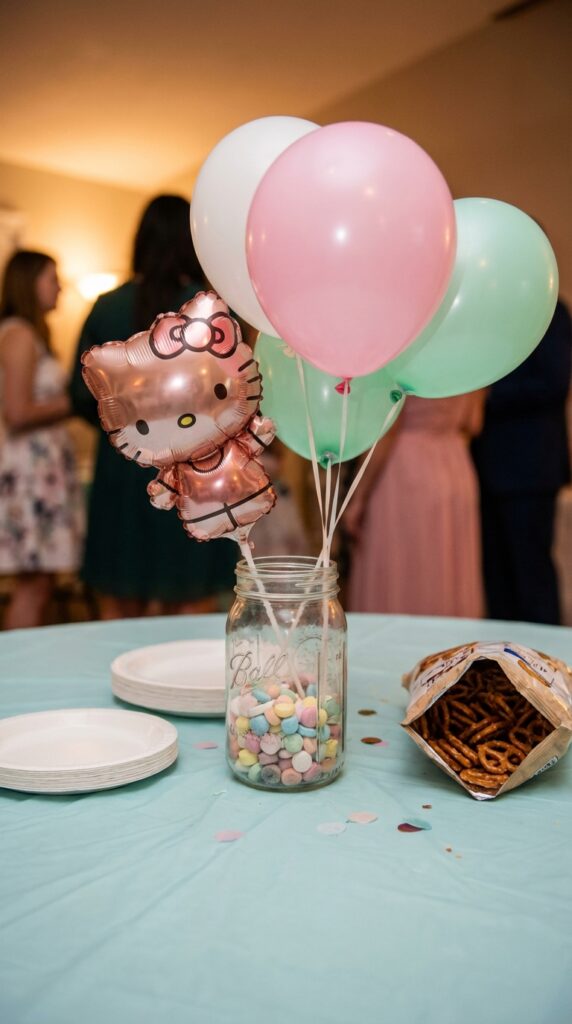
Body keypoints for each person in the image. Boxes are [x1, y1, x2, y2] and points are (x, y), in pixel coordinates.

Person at [69, 194, 237, 619]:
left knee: (120, 600)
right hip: (190, 469)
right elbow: (233, 396)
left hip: (122, 468)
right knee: (191, 592)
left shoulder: (107, 308)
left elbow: (80, 394)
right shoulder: (207, 310)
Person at [472, 299, 572, 624]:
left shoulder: (548, 308)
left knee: (531, 576)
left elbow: (554, 382)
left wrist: (486, 393)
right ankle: (503, 652)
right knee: (497, 579)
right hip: (485, 464)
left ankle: (545, 652)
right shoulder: (487, 308)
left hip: (531, 466)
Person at [0, 251, 84, 629]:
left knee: (41, 583)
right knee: (32, 585)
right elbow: (17, 412)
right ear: (29, 282)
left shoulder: (29, 334)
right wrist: (78, 400)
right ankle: (17, 661)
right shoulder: (18, 335)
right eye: (52, 278)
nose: (60, 287)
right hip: (29, 475)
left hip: (40, 471)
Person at [344, 392, 485, 617]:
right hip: (455, 461)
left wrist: (358, 496)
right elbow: (473, 422)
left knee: (405, 569)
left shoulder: (396, 365)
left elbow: (388, 429)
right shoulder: (471, 367)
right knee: (444, 569)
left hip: (406, 467)